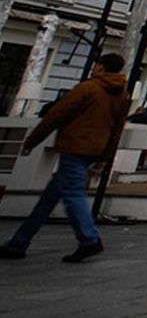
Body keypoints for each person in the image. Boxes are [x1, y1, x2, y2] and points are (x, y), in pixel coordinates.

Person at [1, 53, 129, 262]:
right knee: (48, 199)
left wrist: (32, 141)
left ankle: (89, 238)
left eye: (96, 65)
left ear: (100, 67)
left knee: (72, 194)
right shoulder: (121, 95)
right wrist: (106, 155)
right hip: (95, 149)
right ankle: (19, 243)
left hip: (74, 146)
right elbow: (117, 128)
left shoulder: (88, 88)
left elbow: (57, 114)